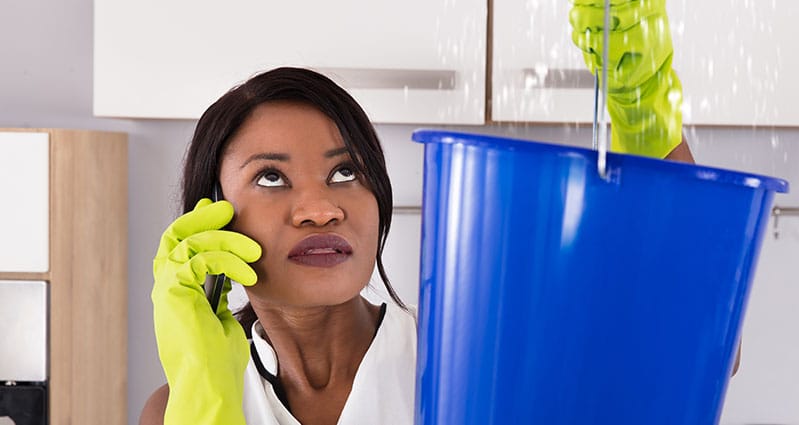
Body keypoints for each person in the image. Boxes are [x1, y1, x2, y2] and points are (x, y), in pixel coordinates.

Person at [140, 1, 713, 424]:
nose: (321, 209)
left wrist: (648, 119)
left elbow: (689, 353)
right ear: (209, 218)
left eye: (346, 173)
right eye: (271, 177)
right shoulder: (182, 404)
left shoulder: (477, 368)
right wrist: (204, 399)